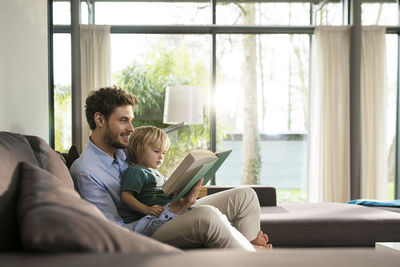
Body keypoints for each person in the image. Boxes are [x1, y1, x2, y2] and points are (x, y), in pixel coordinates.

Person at [70, 86, 271, 251]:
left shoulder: (127, 151)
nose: (131, 128)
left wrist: (181, 189)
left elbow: (155, 183)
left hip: (167, 210)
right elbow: (115, 232)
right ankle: (256, 258)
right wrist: (173, 210)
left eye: (131, 120)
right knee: (207, 217)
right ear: (99, 120)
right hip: (145, 230)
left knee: (245, 196)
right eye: (123, 120)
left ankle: (249, 250)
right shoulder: (86, 171)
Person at [120, 125, 178, 237]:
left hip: (169, 210)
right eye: (156, 151)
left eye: (163, 153)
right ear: (139, 149)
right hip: (157, 217)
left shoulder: (155, 173)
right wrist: (146, 209)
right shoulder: (138, 171)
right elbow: (126, 196)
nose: (161, 157)